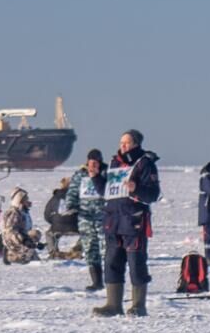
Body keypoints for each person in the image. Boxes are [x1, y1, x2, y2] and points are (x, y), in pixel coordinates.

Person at [95, 129, 161, 317]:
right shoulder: (115, 163)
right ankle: (113, 304)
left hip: (134, 221)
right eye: (121, 142)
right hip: (113, 221)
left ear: (136, 144)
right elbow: (107, 191)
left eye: (126, 143)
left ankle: (139, 305)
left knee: (136, 264)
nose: (122, 146)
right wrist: (95, 177)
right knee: (111, 263)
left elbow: (153, 194)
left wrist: (136, 188)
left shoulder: (145, 164)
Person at [63, 149, 106, 291]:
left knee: (107, 249)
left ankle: (112, 282)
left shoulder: (107, 173)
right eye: (91, 162)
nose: (93, 164)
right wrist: (71, 207)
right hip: (85, 218)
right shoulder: (80, 175)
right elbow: (72, 192)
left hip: (103, 217)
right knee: (90, 249)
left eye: (96, 162)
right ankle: (97, 281)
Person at [0, 188, 43, 264]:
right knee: (34, 234)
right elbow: (10, 231)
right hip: (14, 243)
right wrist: (24, 240)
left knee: (35, 234)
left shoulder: (22, 212)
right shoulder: (14, 213)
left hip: (22, 242)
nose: (28, 201)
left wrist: (36, 244)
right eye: (26, 199)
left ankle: (27, 256)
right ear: (20, 200)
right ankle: (12, 256)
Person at [42, 177, 81, 259]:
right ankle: (77, 250)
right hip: (76, 227)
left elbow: (47, 214)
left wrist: (54, 222)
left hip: (57, 227)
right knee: (88, 233)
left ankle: (53, 252)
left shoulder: (55, 197)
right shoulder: (79, 196)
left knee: (49, 234)